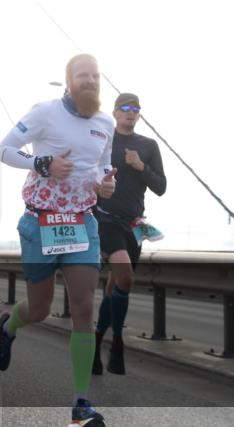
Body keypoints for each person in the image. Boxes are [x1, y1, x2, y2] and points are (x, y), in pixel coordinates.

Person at [0, 54, 115, 426]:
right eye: (83, 75)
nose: (90, 80)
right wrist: (41, 165)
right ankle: (9, 326)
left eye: (95, 75)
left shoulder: (105, 122)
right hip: (40, 222)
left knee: (83, 308)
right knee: (40, 309)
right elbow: (3, 150)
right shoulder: (45, 112)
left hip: (81, 223)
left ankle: (80, 405)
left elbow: (103, 166)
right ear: (69, 81)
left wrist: (107, 183)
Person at [92, 92, 166, 376]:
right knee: (125, 276)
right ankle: (118, 343)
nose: (130, 113)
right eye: (124, 108)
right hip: (104, 220)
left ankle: (98, 343)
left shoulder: (148, 146)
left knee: (115, 288)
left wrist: (141, 167)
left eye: (135, 109)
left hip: (134, 225)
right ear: (114, 112)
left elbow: (161, 187)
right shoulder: (102, 139)